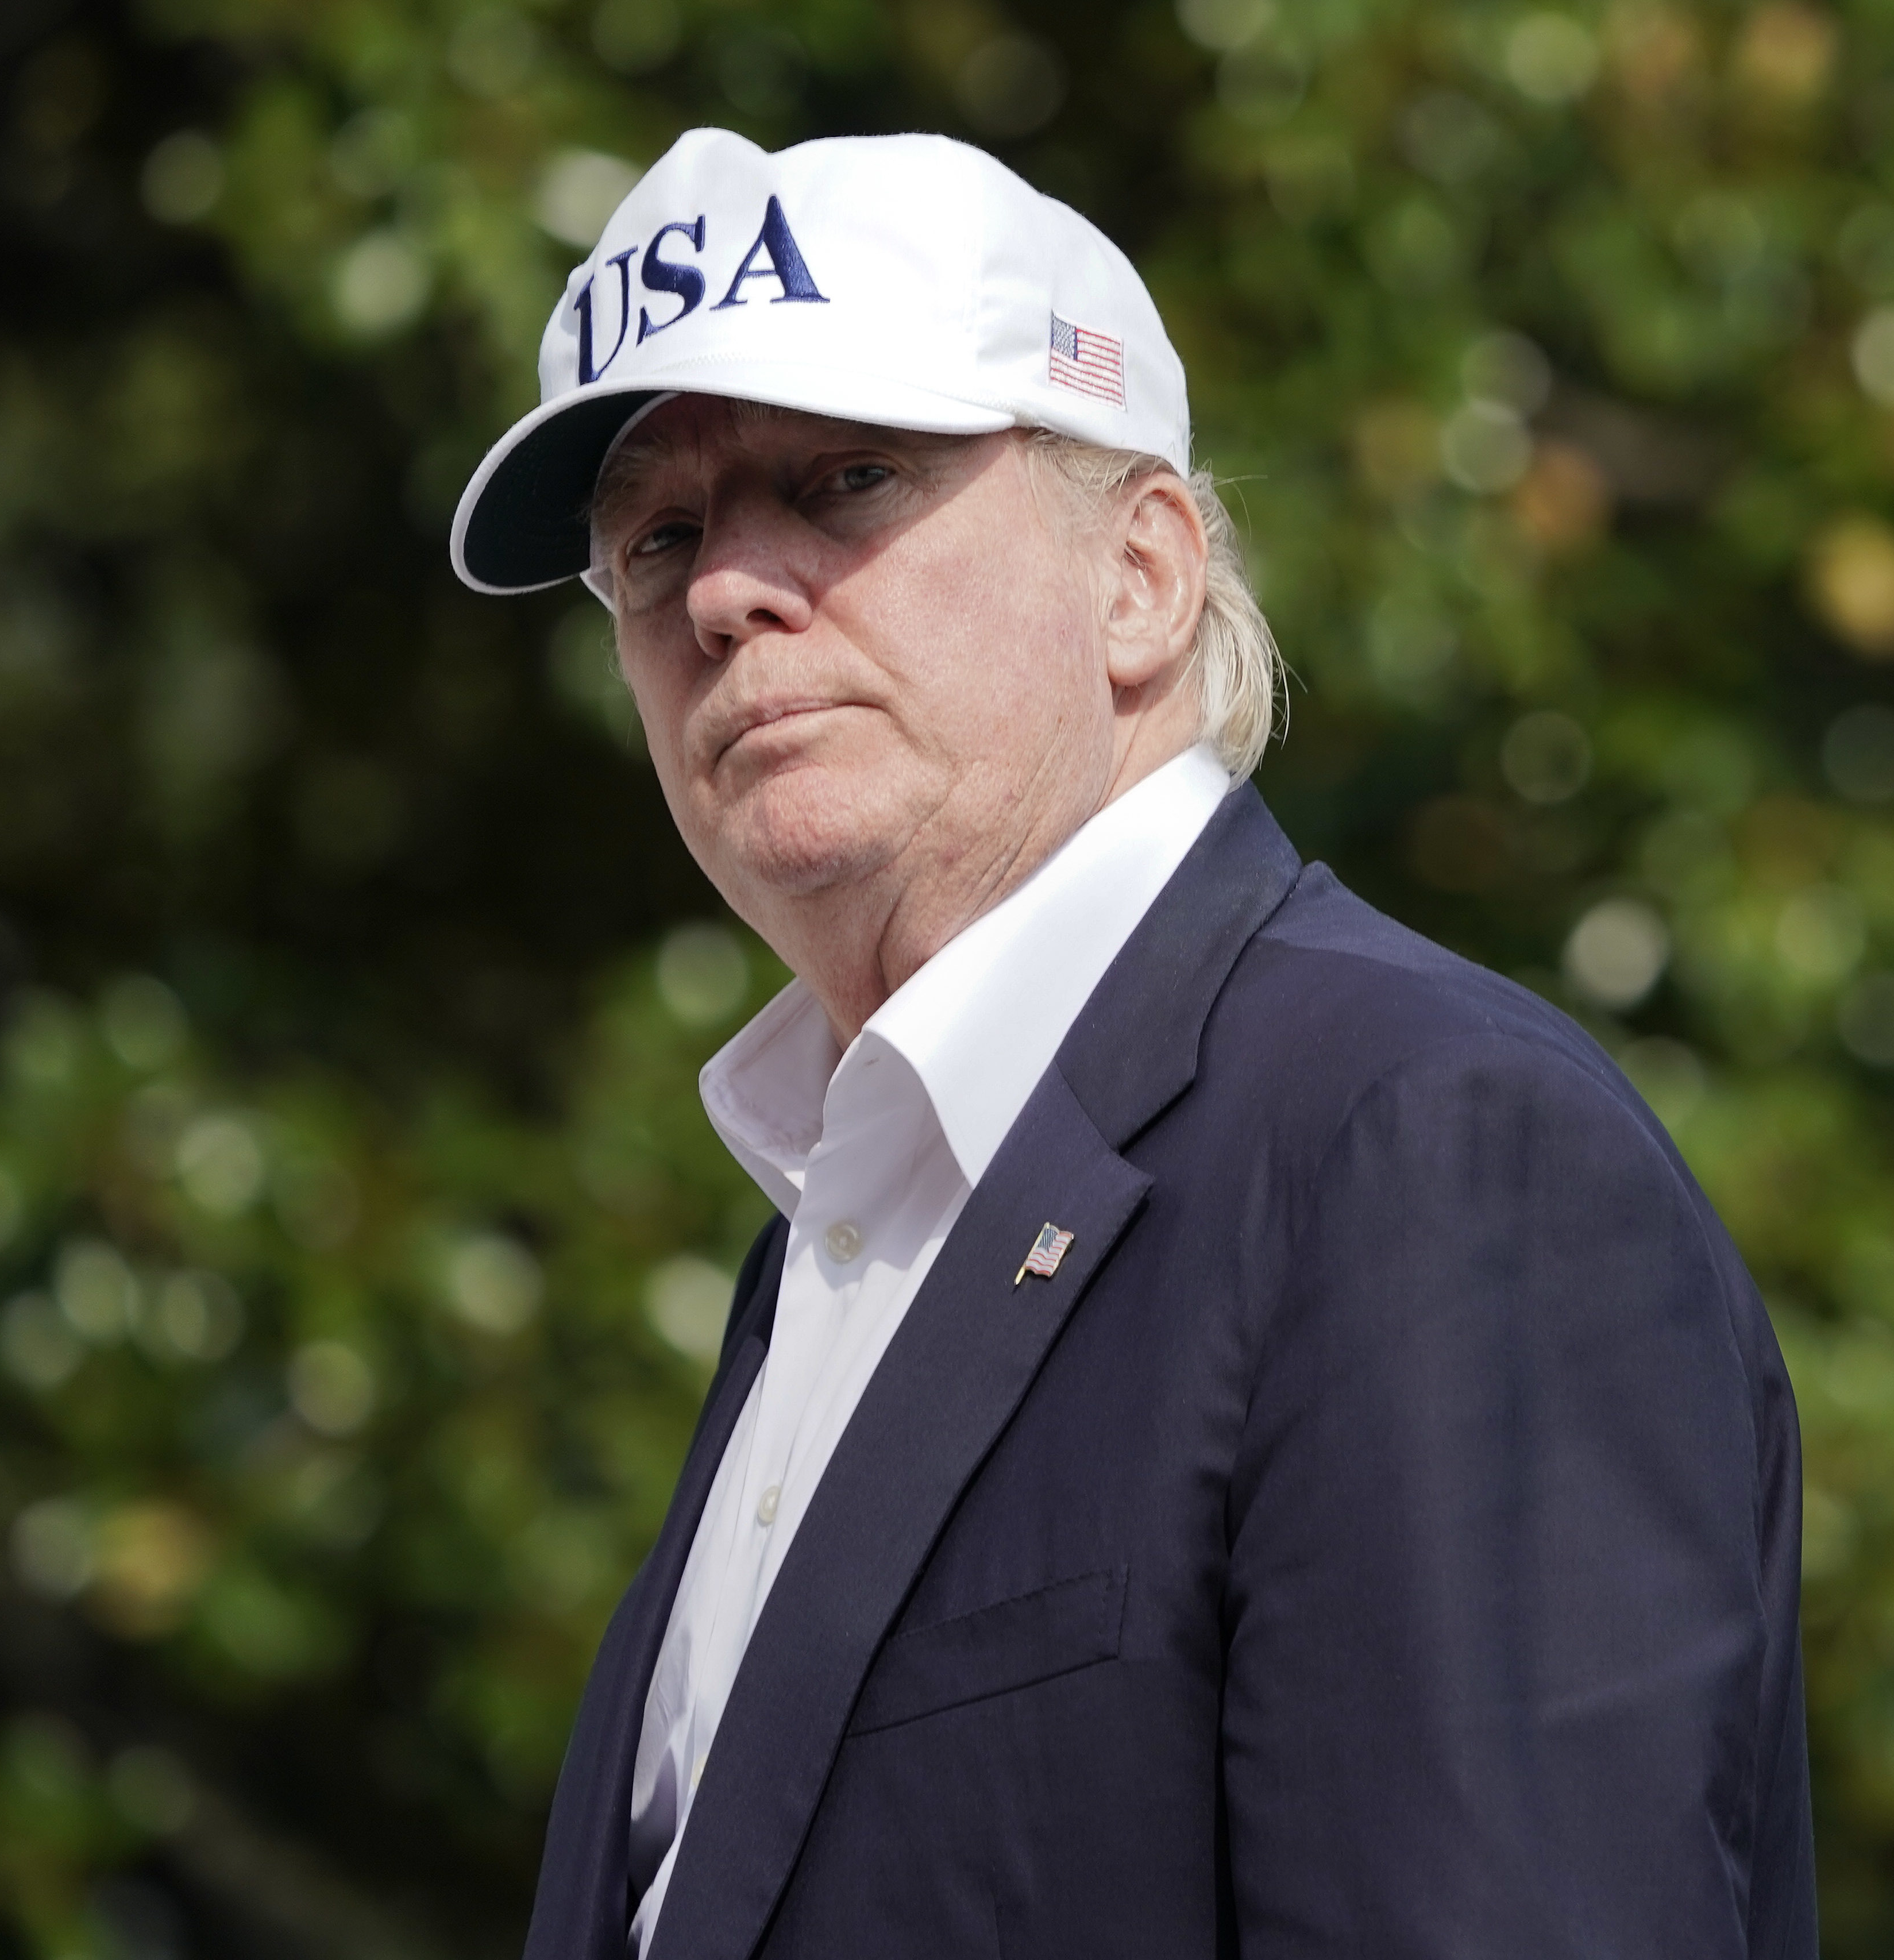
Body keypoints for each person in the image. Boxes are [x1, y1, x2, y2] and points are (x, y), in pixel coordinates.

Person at [449, 127, 1813, 1960]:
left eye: (845, 478)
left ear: (1142, 575)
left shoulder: (1422, 1144)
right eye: (658, 539)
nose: (721, 594)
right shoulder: (853, 1225)